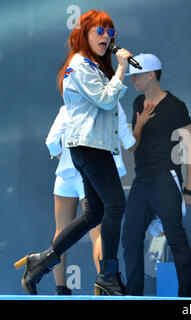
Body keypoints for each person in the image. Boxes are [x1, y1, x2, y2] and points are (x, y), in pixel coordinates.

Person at [14, 9, 142, 295]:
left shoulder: (94, 66)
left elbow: (107, 101)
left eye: (110, 32)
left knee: (94, 212)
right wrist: (121, 69)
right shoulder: (80, 63)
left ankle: (41, 261)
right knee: (115, 204)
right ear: (84, 33)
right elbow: (107, 101)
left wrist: (114, 71)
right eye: (99, 30)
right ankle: (108, 274)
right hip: (88, 147)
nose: (106, 36)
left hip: (94, 147)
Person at [121, 53, 191, 297]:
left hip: (166, 177)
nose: (132, 81)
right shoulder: (137, 103)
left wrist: (189, 189)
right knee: (130, 239)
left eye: (136, 76)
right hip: (141, 180)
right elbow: (133, 142)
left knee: (176, 238)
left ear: (151, 74)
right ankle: (134, 294)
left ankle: (187, 297)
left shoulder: (176, 106)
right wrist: (140, 121)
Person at [45, 102, 136, 295]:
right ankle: (104, 285)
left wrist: (63, 158)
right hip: (92, 170)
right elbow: (129, 142)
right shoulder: (110, 102)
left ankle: (60, 288)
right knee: (97, 231)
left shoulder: (68, 106)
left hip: (67, 172)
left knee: (61, 230)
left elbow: (51, 141)